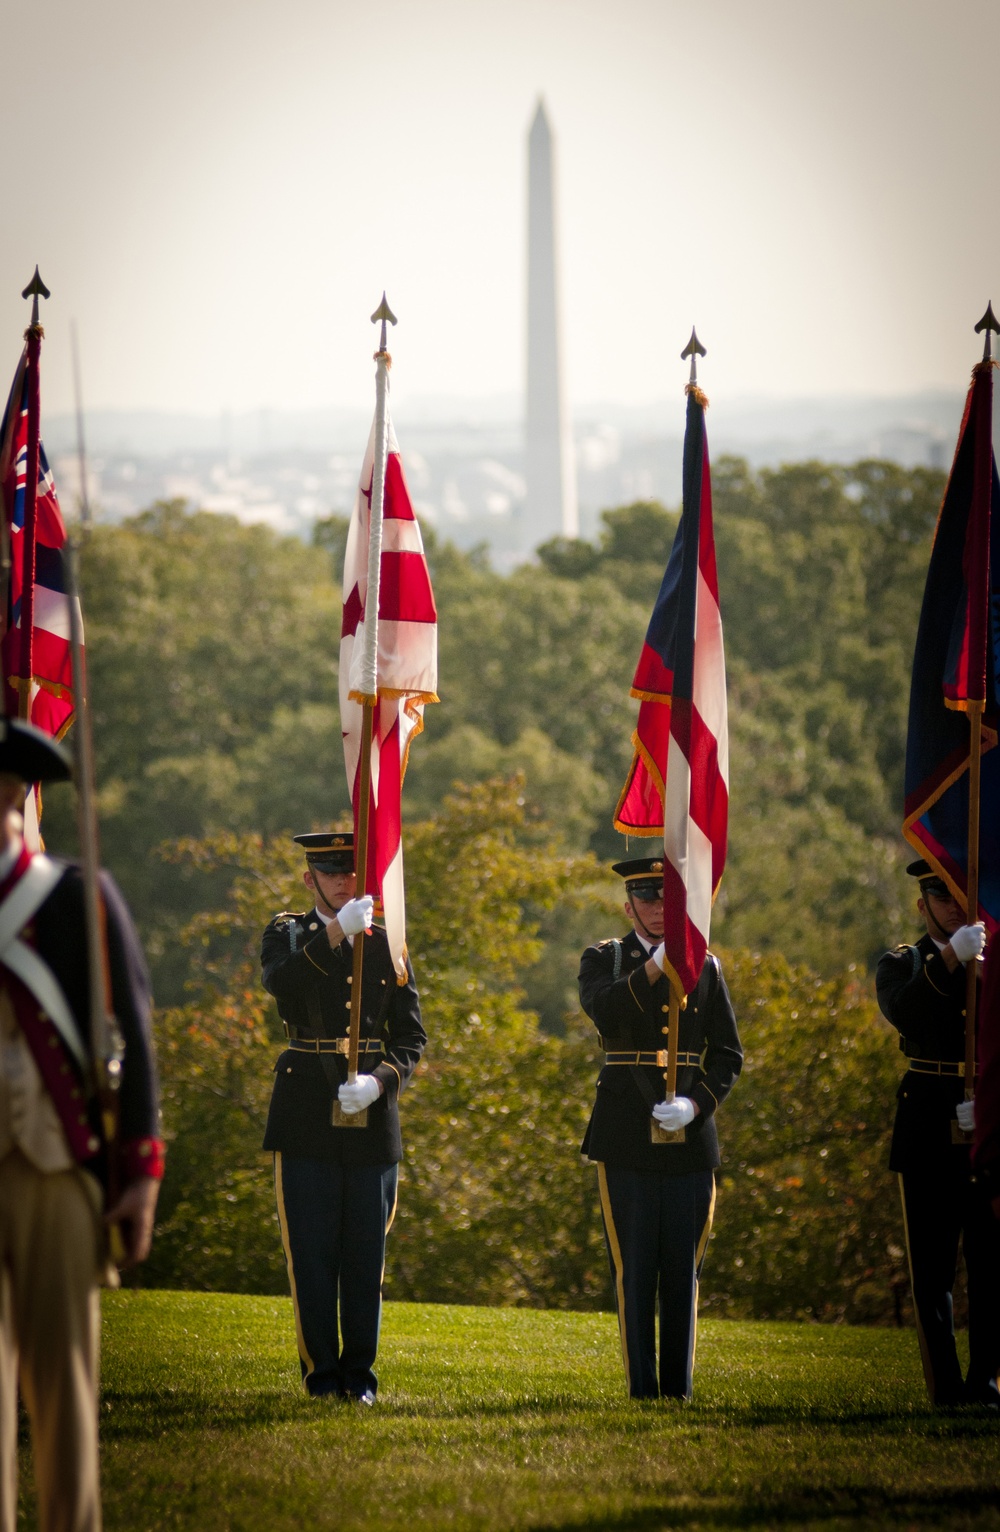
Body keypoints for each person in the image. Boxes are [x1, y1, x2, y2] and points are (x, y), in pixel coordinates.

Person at [0, 718, 164, 1532]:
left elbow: (131, 1035)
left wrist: (139, 1174)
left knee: (64, 1378)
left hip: (57, 1164)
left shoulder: (74, 893)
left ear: (12, 794)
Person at [261, 831, 425, 1404]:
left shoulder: (390, 940)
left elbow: (410, 1036)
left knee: (364, 1253)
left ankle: (360, 1377)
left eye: (351, 871)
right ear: (310, 878)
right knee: (309, 1251)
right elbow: (281, 985)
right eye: (330, 872)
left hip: (370, 1115)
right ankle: (320, 1375)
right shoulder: (288, 931)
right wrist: (336, 933)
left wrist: (381, 1083)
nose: (343, 881)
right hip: (306, 1105)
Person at [578, 855, 742, 1401]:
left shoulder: (706, 967)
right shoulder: (605, 958)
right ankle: (641, 1389)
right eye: (647, 899)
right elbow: (605, 1010)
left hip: (690, 1141)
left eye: (667, 899)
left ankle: (678, 1389)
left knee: (682, 1273)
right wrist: (654, 969)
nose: (657, 909)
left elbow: (727, 1057)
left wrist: (697, 1107)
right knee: (636, 1269)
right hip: (625, 1133)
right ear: (629, 907)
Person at [876, 857, 999, 1409]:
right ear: (921, 904)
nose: (953, 906)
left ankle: (987, 1381)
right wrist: (951, 958)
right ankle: (945, 1387)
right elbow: (908, 1014)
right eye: (941, 897)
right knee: (932, 1269)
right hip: (928, 1119)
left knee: (992, 1261)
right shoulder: (901, 965)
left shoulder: (995, 964)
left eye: (960, 896)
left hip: (988, 1122)